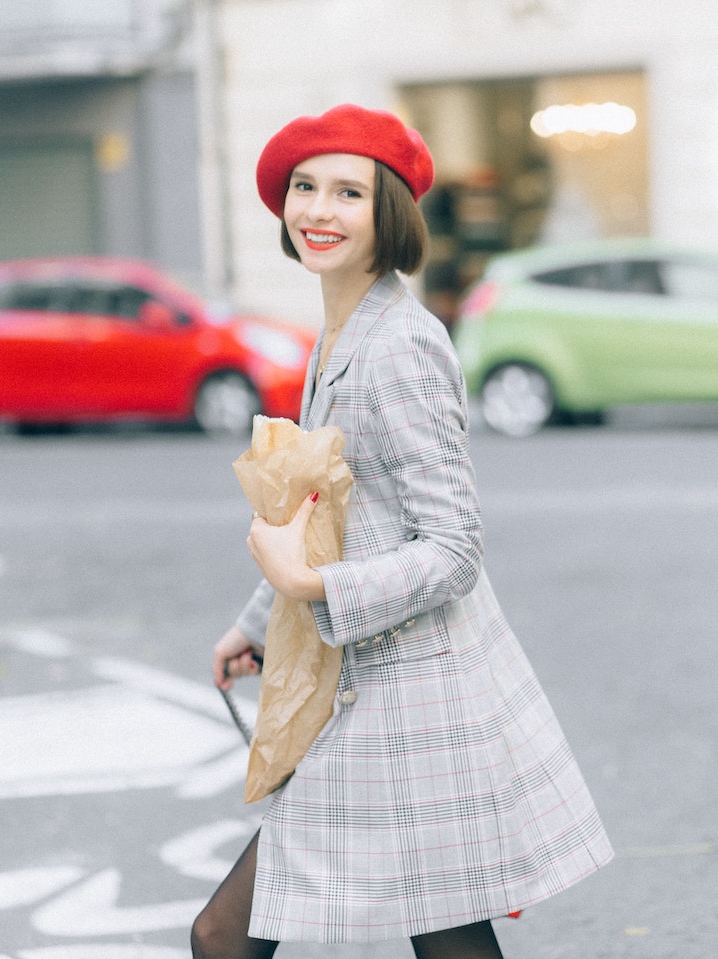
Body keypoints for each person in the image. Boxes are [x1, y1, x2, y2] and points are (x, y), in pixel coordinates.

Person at [191, 104, 613, 959]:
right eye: (304, 187)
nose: (318, 210)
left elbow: (453, 547)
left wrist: (307, 587)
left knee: (225, 937)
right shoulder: (342, 332)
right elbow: (332, 513)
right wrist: (256, 621)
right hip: (370, 697)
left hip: (413, 698)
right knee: (435, 937)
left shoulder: (400, 346)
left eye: (348, 192)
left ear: (388, 212)